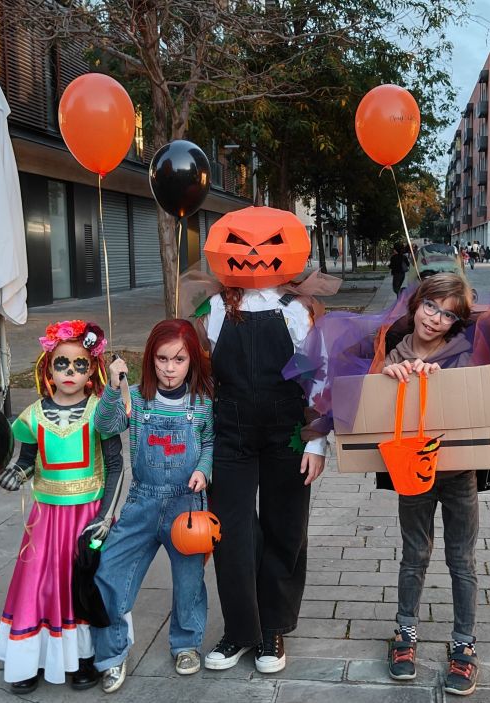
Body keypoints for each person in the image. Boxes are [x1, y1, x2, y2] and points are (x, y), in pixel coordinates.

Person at [376, 274, 490, 697]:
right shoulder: (391, 347)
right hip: (413, 472)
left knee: (461, 561)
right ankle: (405, 634)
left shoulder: (471, 351)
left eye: (449, 314)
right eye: (431, 307)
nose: (436, 319)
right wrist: (387, 374)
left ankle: (464, 645)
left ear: (457, 321)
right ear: (416, 304)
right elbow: (362, 388)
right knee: (414, 554)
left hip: (460, 474)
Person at [197, 206, 328, 675]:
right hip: (230, 432)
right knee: (229, 529)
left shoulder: (296, 313)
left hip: (287, 431)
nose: (254, 254)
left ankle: (271, 627)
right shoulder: (213, 309)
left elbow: (318, 377)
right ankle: (239, 629)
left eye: (269, 244)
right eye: (241, 243)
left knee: (286, 525)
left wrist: (316, 441)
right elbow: (200, 375)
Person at [0, 320, 123, 695]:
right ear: (47, 368)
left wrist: (105, 516)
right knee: (39, 584)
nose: (70, 372)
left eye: (80, 364)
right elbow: (26, 460)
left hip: (87, 517)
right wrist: (15, 474)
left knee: (83, 581)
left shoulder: (101, 412)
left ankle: (84, 657)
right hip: (46, 520)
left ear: (93, 370)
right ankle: (29, 658)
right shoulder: (32, 415)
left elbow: (117, 465)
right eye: (62, 363)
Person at [91, 319, 215, 692]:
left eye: (178, 359)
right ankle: (111, 655)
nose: (169, 368)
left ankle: (186, 643)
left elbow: (208, 443)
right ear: (150, 359)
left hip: (186, 505)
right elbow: (105, 425)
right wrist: (113, 388)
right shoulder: (136, 397)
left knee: (189, 581)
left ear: (192, 360)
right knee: (110, 573)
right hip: (142, 501)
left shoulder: (202, 403)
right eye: (161, 359)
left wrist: (204, 470)